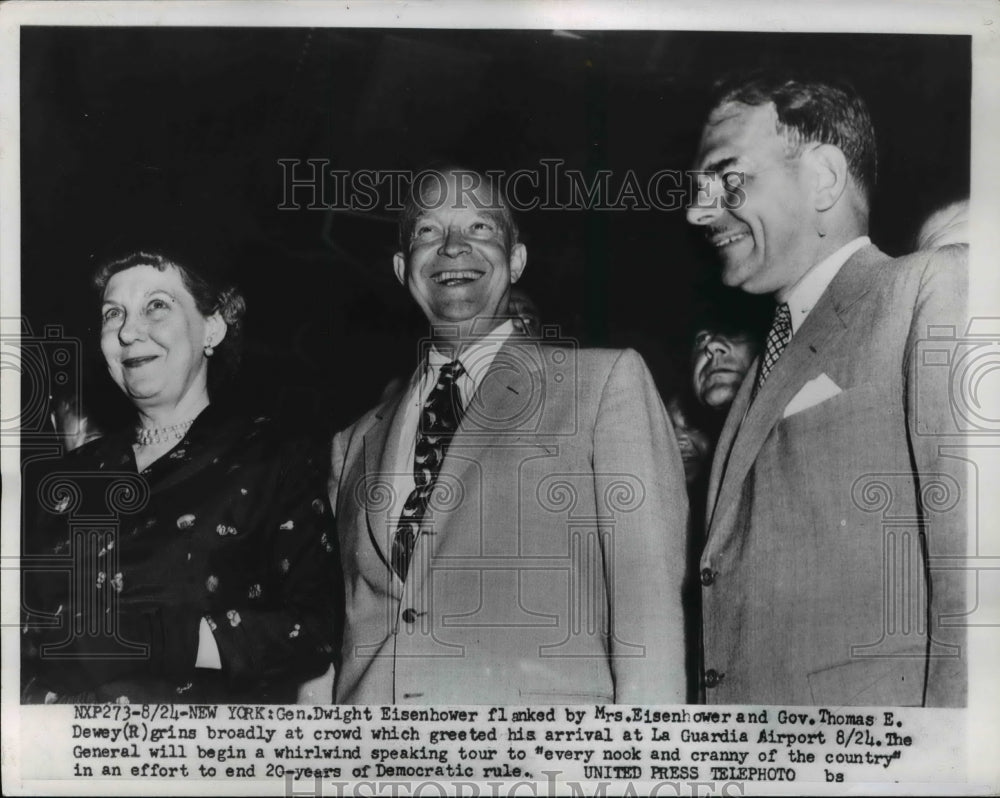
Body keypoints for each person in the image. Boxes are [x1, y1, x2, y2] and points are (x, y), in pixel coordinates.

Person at [330, 168, 689, 704]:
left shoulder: (602, 385)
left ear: (516, 260)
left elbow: (650, 613)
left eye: (479, 228)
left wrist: (640, 767)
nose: (453, 247)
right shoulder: (354, 442)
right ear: (404, 268)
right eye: (428, 232)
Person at [686, 73, 967, 706]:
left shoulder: (929, 290)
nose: (698, 211)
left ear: (823, 178)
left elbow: (978, 598)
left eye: (729, 178)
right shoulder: (767, 360)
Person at [21, 250, 341, 704]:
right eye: (114, 314)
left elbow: (314, 631)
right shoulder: (65, 478)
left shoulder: (273, 459)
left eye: (157, 305)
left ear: (212, 327)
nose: (129, 332)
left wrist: (163, 640)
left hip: (194, 760)